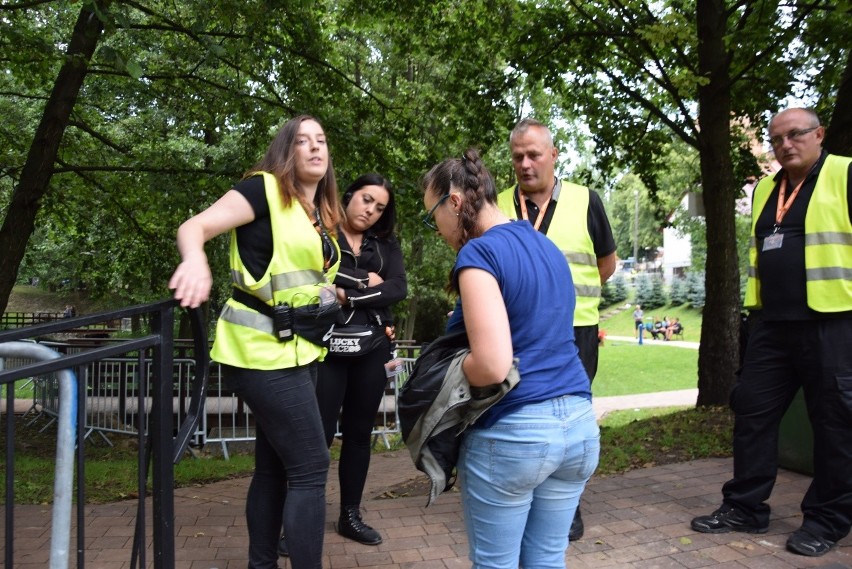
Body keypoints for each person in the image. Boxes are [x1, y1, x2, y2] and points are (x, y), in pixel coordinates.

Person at [169, 115, 342, 569]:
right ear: (286, 150)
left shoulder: (319, 214)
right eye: (302, 141)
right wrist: (195, 261)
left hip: (301, 351)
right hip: (260, 352)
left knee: (274, 469)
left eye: (321, 140)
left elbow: (299, 280)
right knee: (311, 467)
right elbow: (194, 227)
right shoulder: (262, 189)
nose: (314, 148)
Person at [424, 148, 600, 569]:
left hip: (515, 433)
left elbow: (492, 364)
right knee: (546, 560)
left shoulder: (478, 254)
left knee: (496, 563)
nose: (437, 229)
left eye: (432, 215)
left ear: (454, 202)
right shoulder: (546, 246)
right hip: (578, 428)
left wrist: (445, 372)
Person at [690, 107, 852, 557]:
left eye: (795, 135)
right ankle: (744, 506)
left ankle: (827, 519)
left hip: (833, 323)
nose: (785, 145)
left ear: (819, 135)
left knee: (835, 426)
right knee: (753, 413)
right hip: (772, 325)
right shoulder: (766, 188)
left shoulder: (844, 174)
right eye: (776, 139)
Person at [497, 118, 616, 540]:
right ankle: (518, 501)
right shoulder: (498, 205)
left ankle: (567, 507)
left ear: (554, 156)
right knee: (518, 412)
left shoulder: (586, 200)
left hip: (575, 329)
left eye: (534, 155)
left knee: (568, 418)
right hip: (515, 330)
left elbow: (606, 263)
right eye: (518, 156)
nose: (526, 164)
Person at [313, 174, 407, 546]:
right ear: (349, 195)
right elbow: (317, 274)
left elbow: (398, 288)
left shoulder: (385, 244)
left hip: (371, 348)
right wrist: (367, 281)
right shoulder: (321, 232)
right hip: (325, 347)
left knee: (358, 435)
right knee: (317, 435)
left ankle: (349, 516)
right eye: (366, 200)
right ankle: (302, 518)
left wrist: (349, 295)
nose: (370, 210)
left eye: (379, 207)